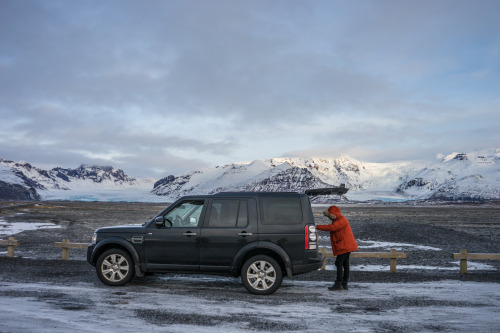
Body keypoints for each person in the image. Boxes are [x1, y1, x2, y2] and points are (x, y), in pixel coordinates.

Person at [316, 205, 358, 291]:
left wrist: (317, 226)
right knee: (345, 264)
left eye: (329, 216)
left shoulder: (341, 220)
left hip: (344, 246)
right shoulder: (339, 219)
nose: (330, 218)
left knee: (339, 263)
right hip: (347, 245)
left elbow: (332, 228)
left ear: (333, 214)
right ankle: (344, 284)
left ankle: (339, 284)